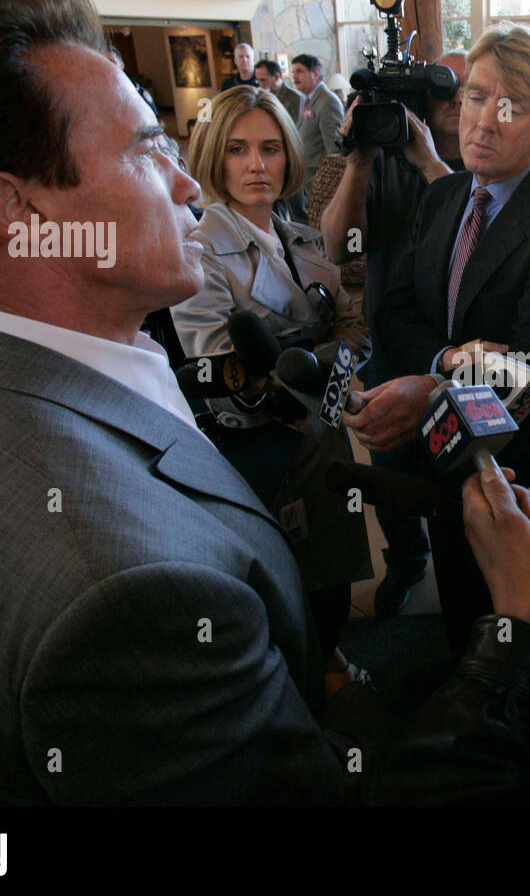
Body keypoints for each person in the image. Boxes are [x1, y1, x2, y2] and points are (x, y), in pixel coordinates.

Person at [0, 0, 530, 806]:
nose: (187, 184)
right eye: (142, 149)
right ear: (16, 210)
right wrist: (515, 624)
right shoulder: (124, 597)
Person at [348, 21, 530, 654]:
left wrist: (431, 386)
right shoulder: (444, 196)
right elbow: (397, 310)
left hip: (513, 469)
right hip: (439, 456)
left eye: (511, 105)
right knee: (460, 626)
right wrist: (445, 359)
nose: (485, 121)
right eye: (475, 96)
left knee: (513, 643)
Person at [168, 85, 370, 692]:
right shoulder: (199, 250)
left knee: (333, 573)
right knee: (288, 582)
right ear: (212, 157)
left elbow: (357, 329)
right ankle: (300, 698)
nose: (257, 165)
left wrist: (309, 370)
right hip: (260, 450)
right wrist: (313, 363)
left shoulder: (299, 233)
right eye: (237, 150)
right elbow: (227, 374)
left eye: (271, 148)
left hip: (322, 431)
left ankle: (327, 661)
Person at [319, 50, 467, 616]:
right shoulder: (378, 159)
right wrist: (360, 162)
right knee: (391, 470)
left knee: (456, 470)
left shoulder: (483, 163)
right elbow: (340, 248)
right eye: (445, 93)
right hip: (390, 345)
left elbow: (469, 237)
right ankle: (407, 562)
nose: (454, 103)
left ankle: (464, 571)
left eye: (463, 91)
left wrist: (428, 159)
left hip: (456, 352)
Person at [291, 53, 346, 188]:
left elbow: (334, 148)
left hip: (321, 179)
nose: (294, 76)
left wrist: (327, 182)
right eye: (293, 72)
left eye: (299, 71)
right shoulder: (307, 99)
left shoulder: (328, 101)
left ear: (315, 74)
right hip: (307, 176)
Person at [254, 58, 304, 125]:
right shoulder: (259, 96)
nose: (260, 85)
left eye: (263, 80)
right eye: (258, 80)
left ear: (277, 77)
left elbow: (295, 128)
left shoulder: (296, 98)